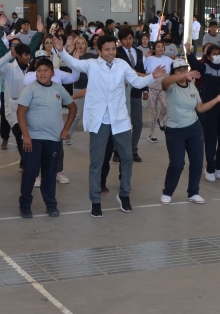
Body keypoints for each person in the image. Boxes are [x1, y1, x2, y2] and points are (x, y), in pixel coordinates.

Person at [57, 35, 165, 217]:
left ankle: (124, 195)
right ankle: (95, 201)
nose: (111, 52)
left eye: (113, 49)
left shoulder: (122, 65)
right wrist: (60, 51)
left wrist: (152, 76)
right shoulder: (91, 64)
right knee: (96, 162)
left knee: (127, 158)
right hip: (99, 120)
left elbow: (136, 82)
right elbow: (74, 64)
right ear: (99, 51)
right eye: (106, 49)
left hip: (120, 119)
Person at [159, 59, 220, 204]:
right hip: (175, 131)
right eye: (179, 70)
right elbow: (165, 81)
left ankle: (193, 192)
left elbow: (200, 108)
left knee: (197, 163)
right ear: (174, 72)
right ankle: (168, 192)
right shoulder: (171, 87)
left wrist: (216, 100)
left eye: (185, 69)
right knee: (177, 164)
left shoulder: (192, 88)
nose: (184, 73)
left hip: (194, 129)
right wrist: (183, 75)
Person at [17, 58, 77, 218]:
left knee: (50, 174)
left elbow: (72, 107)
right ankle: (25, 204)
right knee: (30, 172)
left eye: (45, 70)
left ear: (52, 73)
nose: (42, 73)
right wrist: (26, 136)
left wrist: (66, 129)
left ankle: (51, 204)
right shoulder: (29, 89)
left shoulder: (58, 89)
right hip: (34, 139)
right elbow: (20, 112)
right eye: (39, 70)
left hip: (53, 140)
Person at [185, 42, 220, 182]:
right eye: (214, 54)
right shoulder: (205, 68)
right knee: (211, 139)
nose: (218, 56)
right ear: (209, 56)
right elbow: (194, 63)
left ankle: (219, 167)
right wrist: (188, 51)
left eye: (219, 53)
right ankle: (210, 168)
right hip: (210, 110)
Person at [115, 28, 147, 162]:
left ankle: (133, 149)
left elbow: (142, 70)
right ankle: (118, 150)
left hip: (136, 93)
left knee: (138, 123)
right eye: (124, 39)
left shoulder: (139, 52)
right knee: (122, 123)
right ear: (120, 41)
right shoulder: (116, 53)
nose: (128, 41)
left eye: (129, 38)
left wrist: (145, 89)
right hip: (122, 93)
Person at [144, 40, 174, 143]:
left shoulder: (168, 60)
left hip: (163, 88)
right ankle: (151, 134)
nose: (161, 48)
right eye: (158, 46)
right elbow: (142, 69)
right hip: (151, 88)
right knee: (153, 112)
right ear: (154, 48)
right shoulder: (149, 59)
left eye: (162, 46)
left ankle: (160, 119)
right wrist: (144, 56)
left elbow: (174, 71)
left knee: (166, 105)